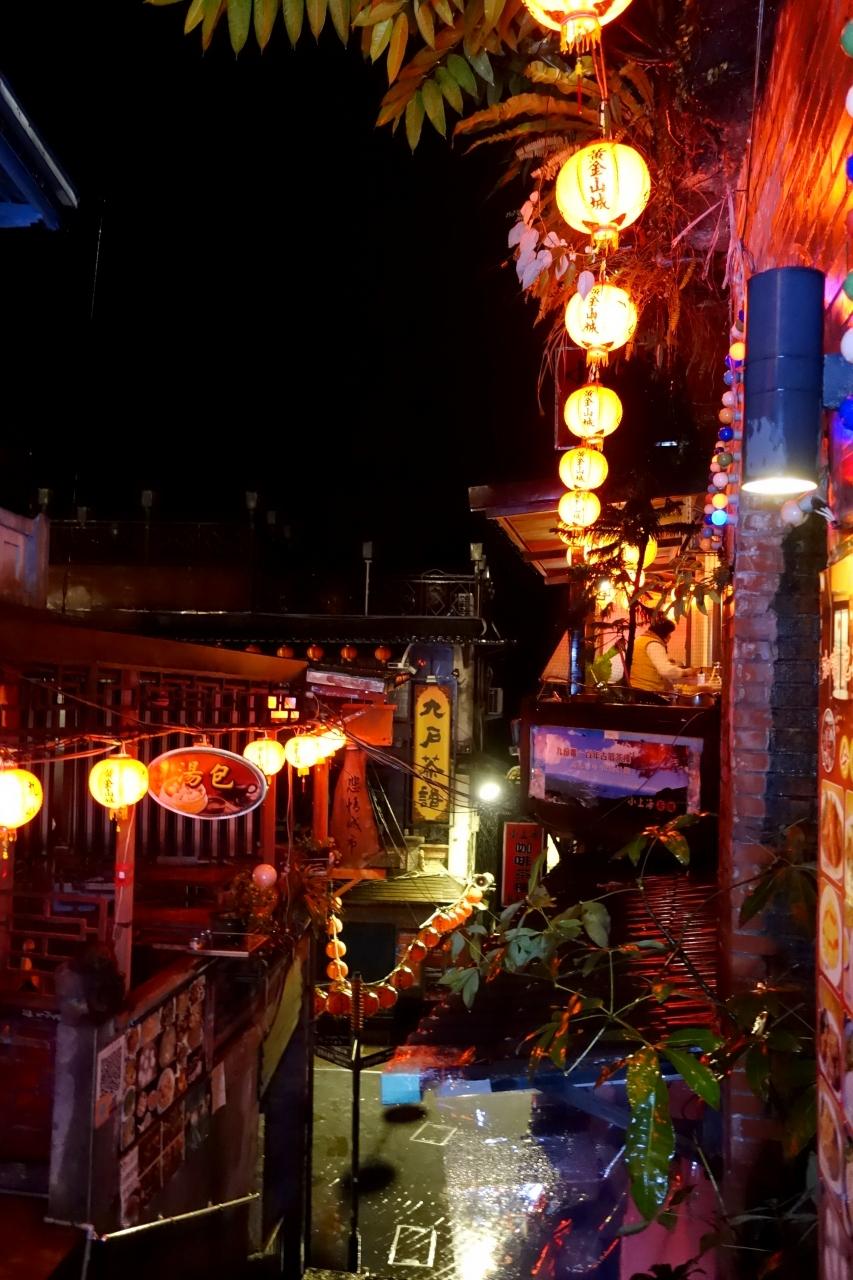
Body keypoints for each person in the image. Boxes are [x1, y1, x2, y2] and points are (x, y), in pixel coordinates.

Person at [629, 618, 695, 694]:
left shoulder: (639, 640)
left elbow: (644, 662)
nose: (670, 637)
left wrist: (667, 661)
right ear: (663, 633)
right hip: (648, 691)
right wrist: (685, 672)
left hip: (635, 689)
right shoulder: (653, 644)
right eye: (669, 633)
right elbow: (666, 671)